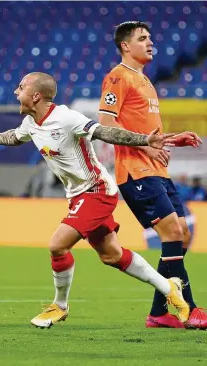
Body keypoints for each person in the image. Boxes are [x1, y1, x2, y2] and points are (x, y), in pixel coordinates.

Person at [0, 72, 190, 329]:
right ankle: (169, 287)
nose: (15, 92)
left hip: (96, 191)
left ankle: (60, 306)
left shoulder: (66, 118)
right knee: (112, 255)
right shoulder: (32, 122)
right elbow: (16, 136)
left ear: (36, 95)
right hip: (78, 195)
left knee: (57, 245)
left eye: (20, 87)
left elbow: (104, 132)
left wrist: (144, 140)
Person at [99, 21, 206, 329]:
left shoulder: (145, 82)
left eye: (150, 38)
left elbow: (147, 135)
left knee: (181, 236)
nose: (150, 43)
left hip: (158, 170)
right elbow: (106, 124)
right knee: (172, 234)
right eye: (142, 38)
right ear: (125, 46)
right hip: (136, 172)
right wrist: (146, 146)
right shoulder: (118, 77)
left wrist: (172, 138)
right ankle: (190, 309)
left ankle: (159, 313)